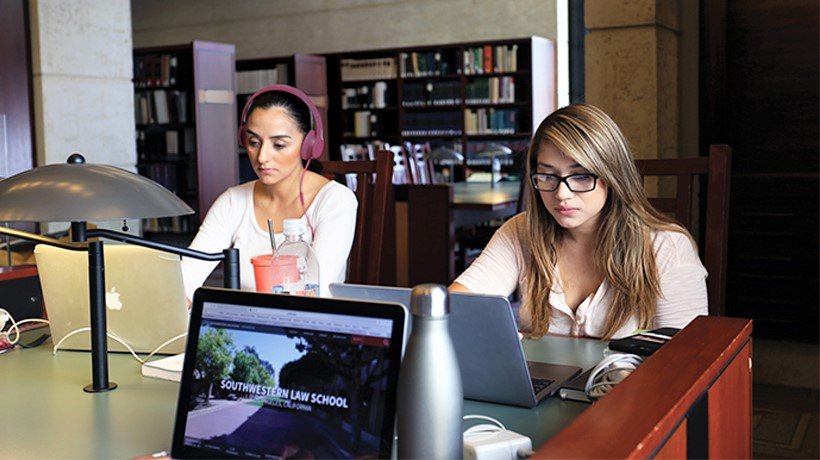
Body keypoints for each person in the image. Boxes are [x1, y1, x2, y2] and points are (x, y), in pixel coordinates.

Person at [450, 104, 708, 340]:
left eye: (581, 176)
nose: (561, 194)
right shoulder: (521, 232)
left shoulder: (667, 248)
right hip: (541, 386)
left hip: (634, 388)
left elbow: (687, 360)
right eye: (547, 176)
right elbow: (455, 307)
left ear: (612, 175)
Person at [181, 85, 357, 302]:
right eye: (254, 143)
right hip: (246, 325)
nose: (262, 157)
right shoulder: (232, 201)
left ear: (309, 145)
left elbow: (315, 292)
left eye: (279, 145)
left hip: (308, 326)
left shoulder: (335, 200)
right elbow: (186, 278)